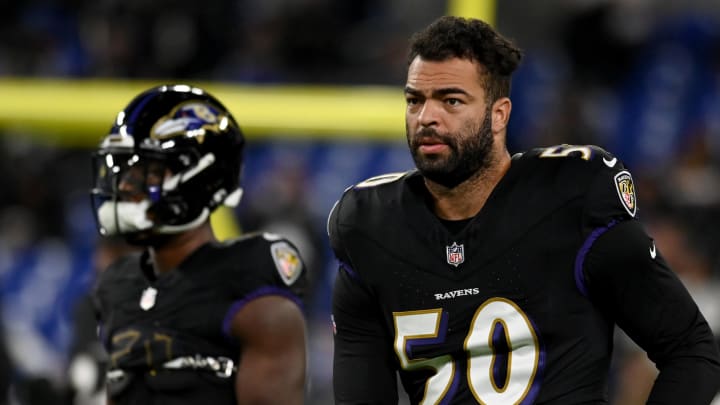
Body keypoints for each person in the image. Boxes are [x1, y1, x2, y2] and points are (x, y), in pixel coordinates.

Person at [328, 16, 720, 404]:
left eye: (451, 100)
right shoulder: (370, 226)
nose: (427, 117)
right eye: (415, 100)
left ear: (499, 114)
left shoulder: (570, 197)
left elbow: (690, 350)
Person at [89, 84, 307, 404]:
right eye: (123, 171)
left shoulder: (249, 281)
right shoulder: (117, 285)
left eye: (146, 174)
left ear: (204, 178)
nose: (124, 186)